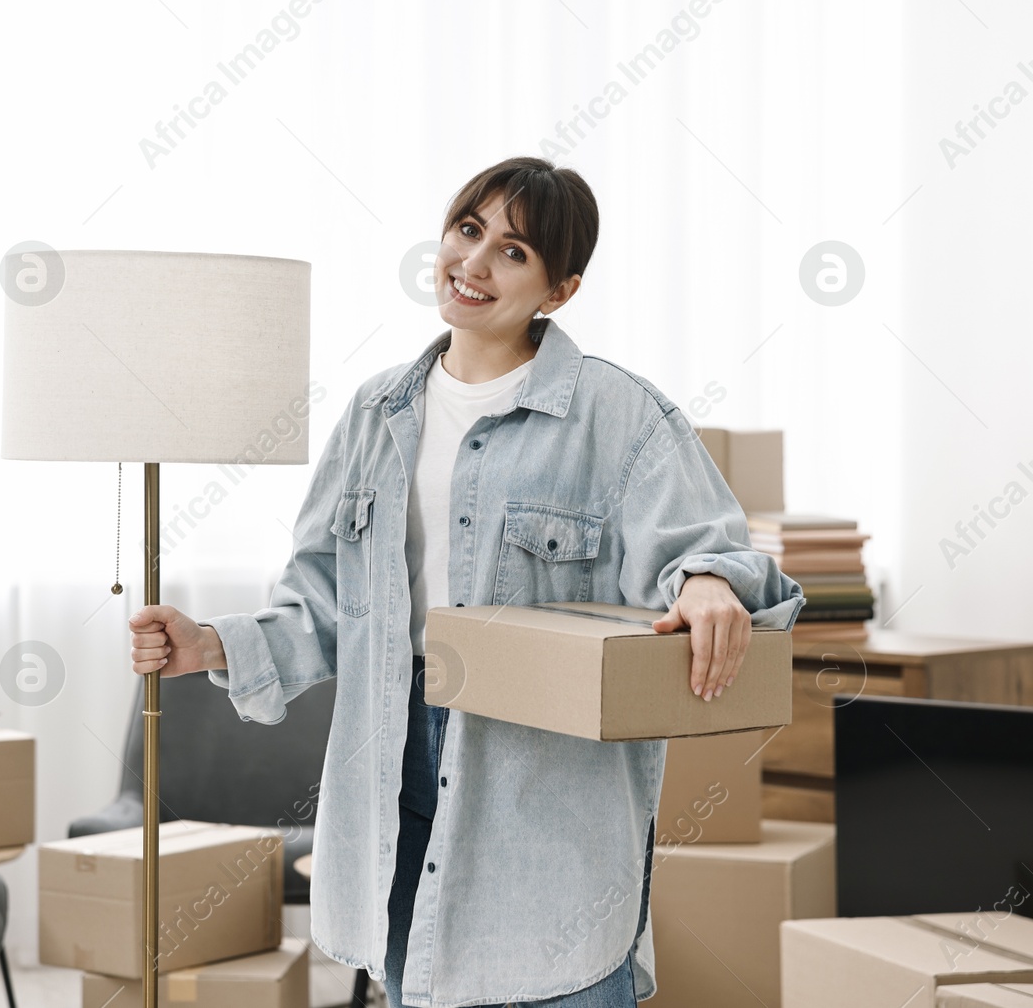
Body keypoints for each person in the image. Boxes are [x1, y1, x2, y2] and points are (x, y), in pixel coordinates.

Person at [127, 156, 805, 1008]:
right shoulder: (377, 413)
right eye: (468, 230)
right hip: (394, 758)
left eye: (514, 252)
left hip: (545, 784)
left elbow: (712, 546)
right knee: (424, 981)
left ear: (560, 288)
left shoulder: (618, 413)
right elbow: (324, 597)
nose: (474, 264)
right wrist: (212, 643)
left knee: (563, 979)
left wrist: (708, 581)